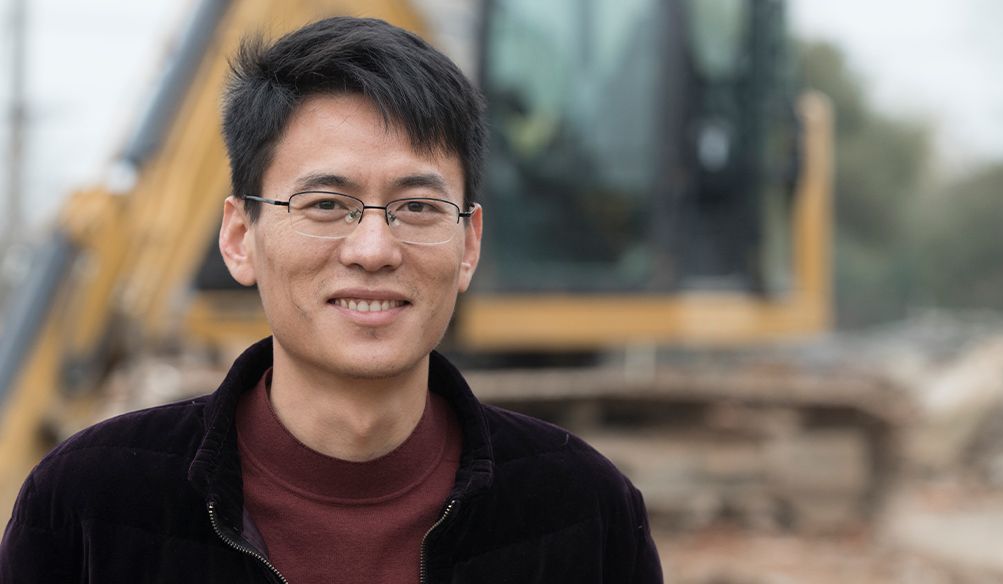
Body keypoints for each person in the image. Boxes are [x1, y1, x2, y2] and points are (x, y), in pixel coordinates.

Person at [0, 16, 661, 583]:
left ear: (469, 243)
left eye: (417, 206)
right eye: (326, 205)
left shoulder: (581, 516)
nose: (373, 249)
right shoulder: (89, 509)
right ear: (239, 237)